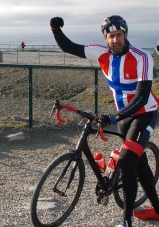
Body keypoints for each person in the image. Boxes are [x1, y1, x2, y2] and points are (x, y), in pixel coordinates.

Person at [50, 15, 159, 227]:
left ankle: (125, 222)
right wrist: (55, 30)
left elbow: (141, 97)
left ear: (125, 35)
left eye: (119, 35)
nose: (115, 40)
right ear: (105, 38)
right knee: (139, 165)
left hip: (145, 113)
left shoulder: (142, 57)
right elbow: (69, 47)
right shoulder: (102, 54)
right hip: (124, 117)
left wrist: (113, 117)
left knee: (127, 163)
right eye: (111, 36)